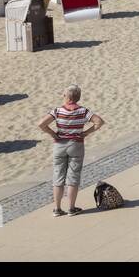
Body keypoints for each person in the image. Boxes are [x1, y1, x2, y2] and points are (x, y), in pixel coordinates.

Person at [37, 85, 105, 216]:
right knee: (73, 176)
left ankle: (57, 209)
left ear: (67, 97)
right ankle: (71, 208)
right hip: (76, 145)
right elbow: (99, 122)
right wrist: (86, 133)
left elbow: (41, 124)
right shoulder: (83, 111)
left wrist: (53, 134)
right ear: (77, 98)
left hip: (59, 145)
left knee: (58, 176)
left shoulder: (57, 111)